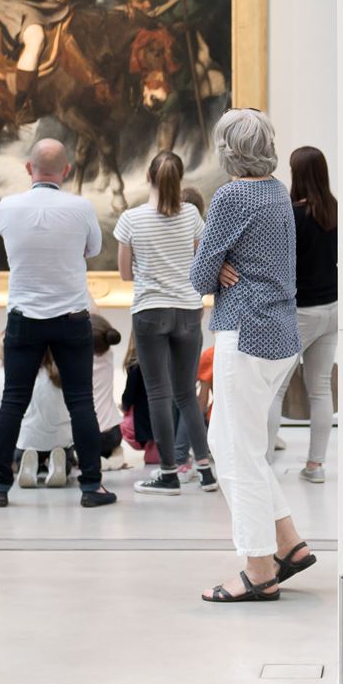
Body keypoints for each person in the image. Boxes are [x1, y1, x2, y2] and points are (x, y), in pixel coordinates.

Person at [190, 109, 315, 603]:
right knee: (244, 447)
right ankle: (290, 545)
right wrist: (219, 262)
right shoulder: (276, 190)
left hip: (244, 332)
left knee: (232, 452)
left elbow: (199, 277)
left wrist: (216, 264)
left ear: (227, 150)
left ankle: (259, 569)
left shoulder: (232, 195)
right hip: (280, 334)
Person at [0, 138, 117, 508]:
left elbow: (10, 244)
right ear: (67, 170)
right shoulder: (81, 208)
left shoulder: (7, 207)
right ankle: (92, 487)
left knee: (13, 402)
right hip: (72, 319)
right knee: (81, 404)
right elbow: (90, 250)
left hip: (24, 318)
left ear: (29, 169)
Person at [117, 150, 217, 496]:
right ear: (180, 179)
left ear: (147, 176)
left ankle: (169, 473)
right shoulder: (191, 215)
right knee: (186, 394)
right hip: (188, 310)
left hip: (149, 311)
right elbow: (200, 262)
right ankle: (204, 469)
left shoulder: (131, 220)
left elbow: (125, 274)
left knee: (158, 394)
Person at [264, 145, 338, 484]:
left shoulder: (293, 216)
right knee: (320, 389)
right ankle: (316, 466)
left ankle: (262, 466)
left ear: (297, 174)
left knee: (275, 388)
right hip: (333, 309)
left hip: (300, 312)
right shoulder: (335, 210)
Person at [16, 316, 125, 488]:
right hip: (111, 434)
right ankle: (72, 461)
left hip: (75, 436)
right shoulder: (108, 356)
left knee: (75, 426)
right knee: (68, 442)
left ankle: (40, 465)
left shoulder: (70, 365)